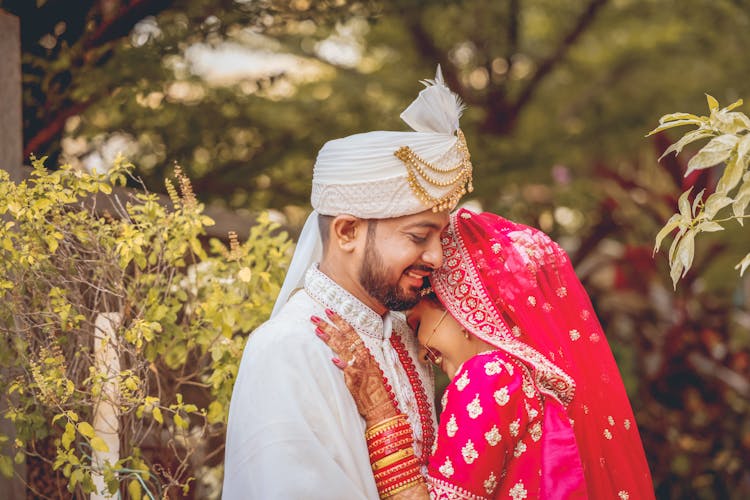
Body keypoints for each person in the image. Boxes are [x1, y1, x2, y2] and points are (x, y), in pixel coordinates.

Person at [222, 67, 475, 499]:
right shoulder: (289, 348)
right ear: (347, 232)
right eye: (418, 237)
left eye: (440, 237)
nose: (435, 256)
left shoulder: (404, 333)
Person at [314, 208, 656, 499]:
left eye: (418, 326)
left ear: (459, 306)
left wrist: (380, 413)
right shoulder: (526, 379)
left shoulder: (487, 375)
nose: (420, 351)